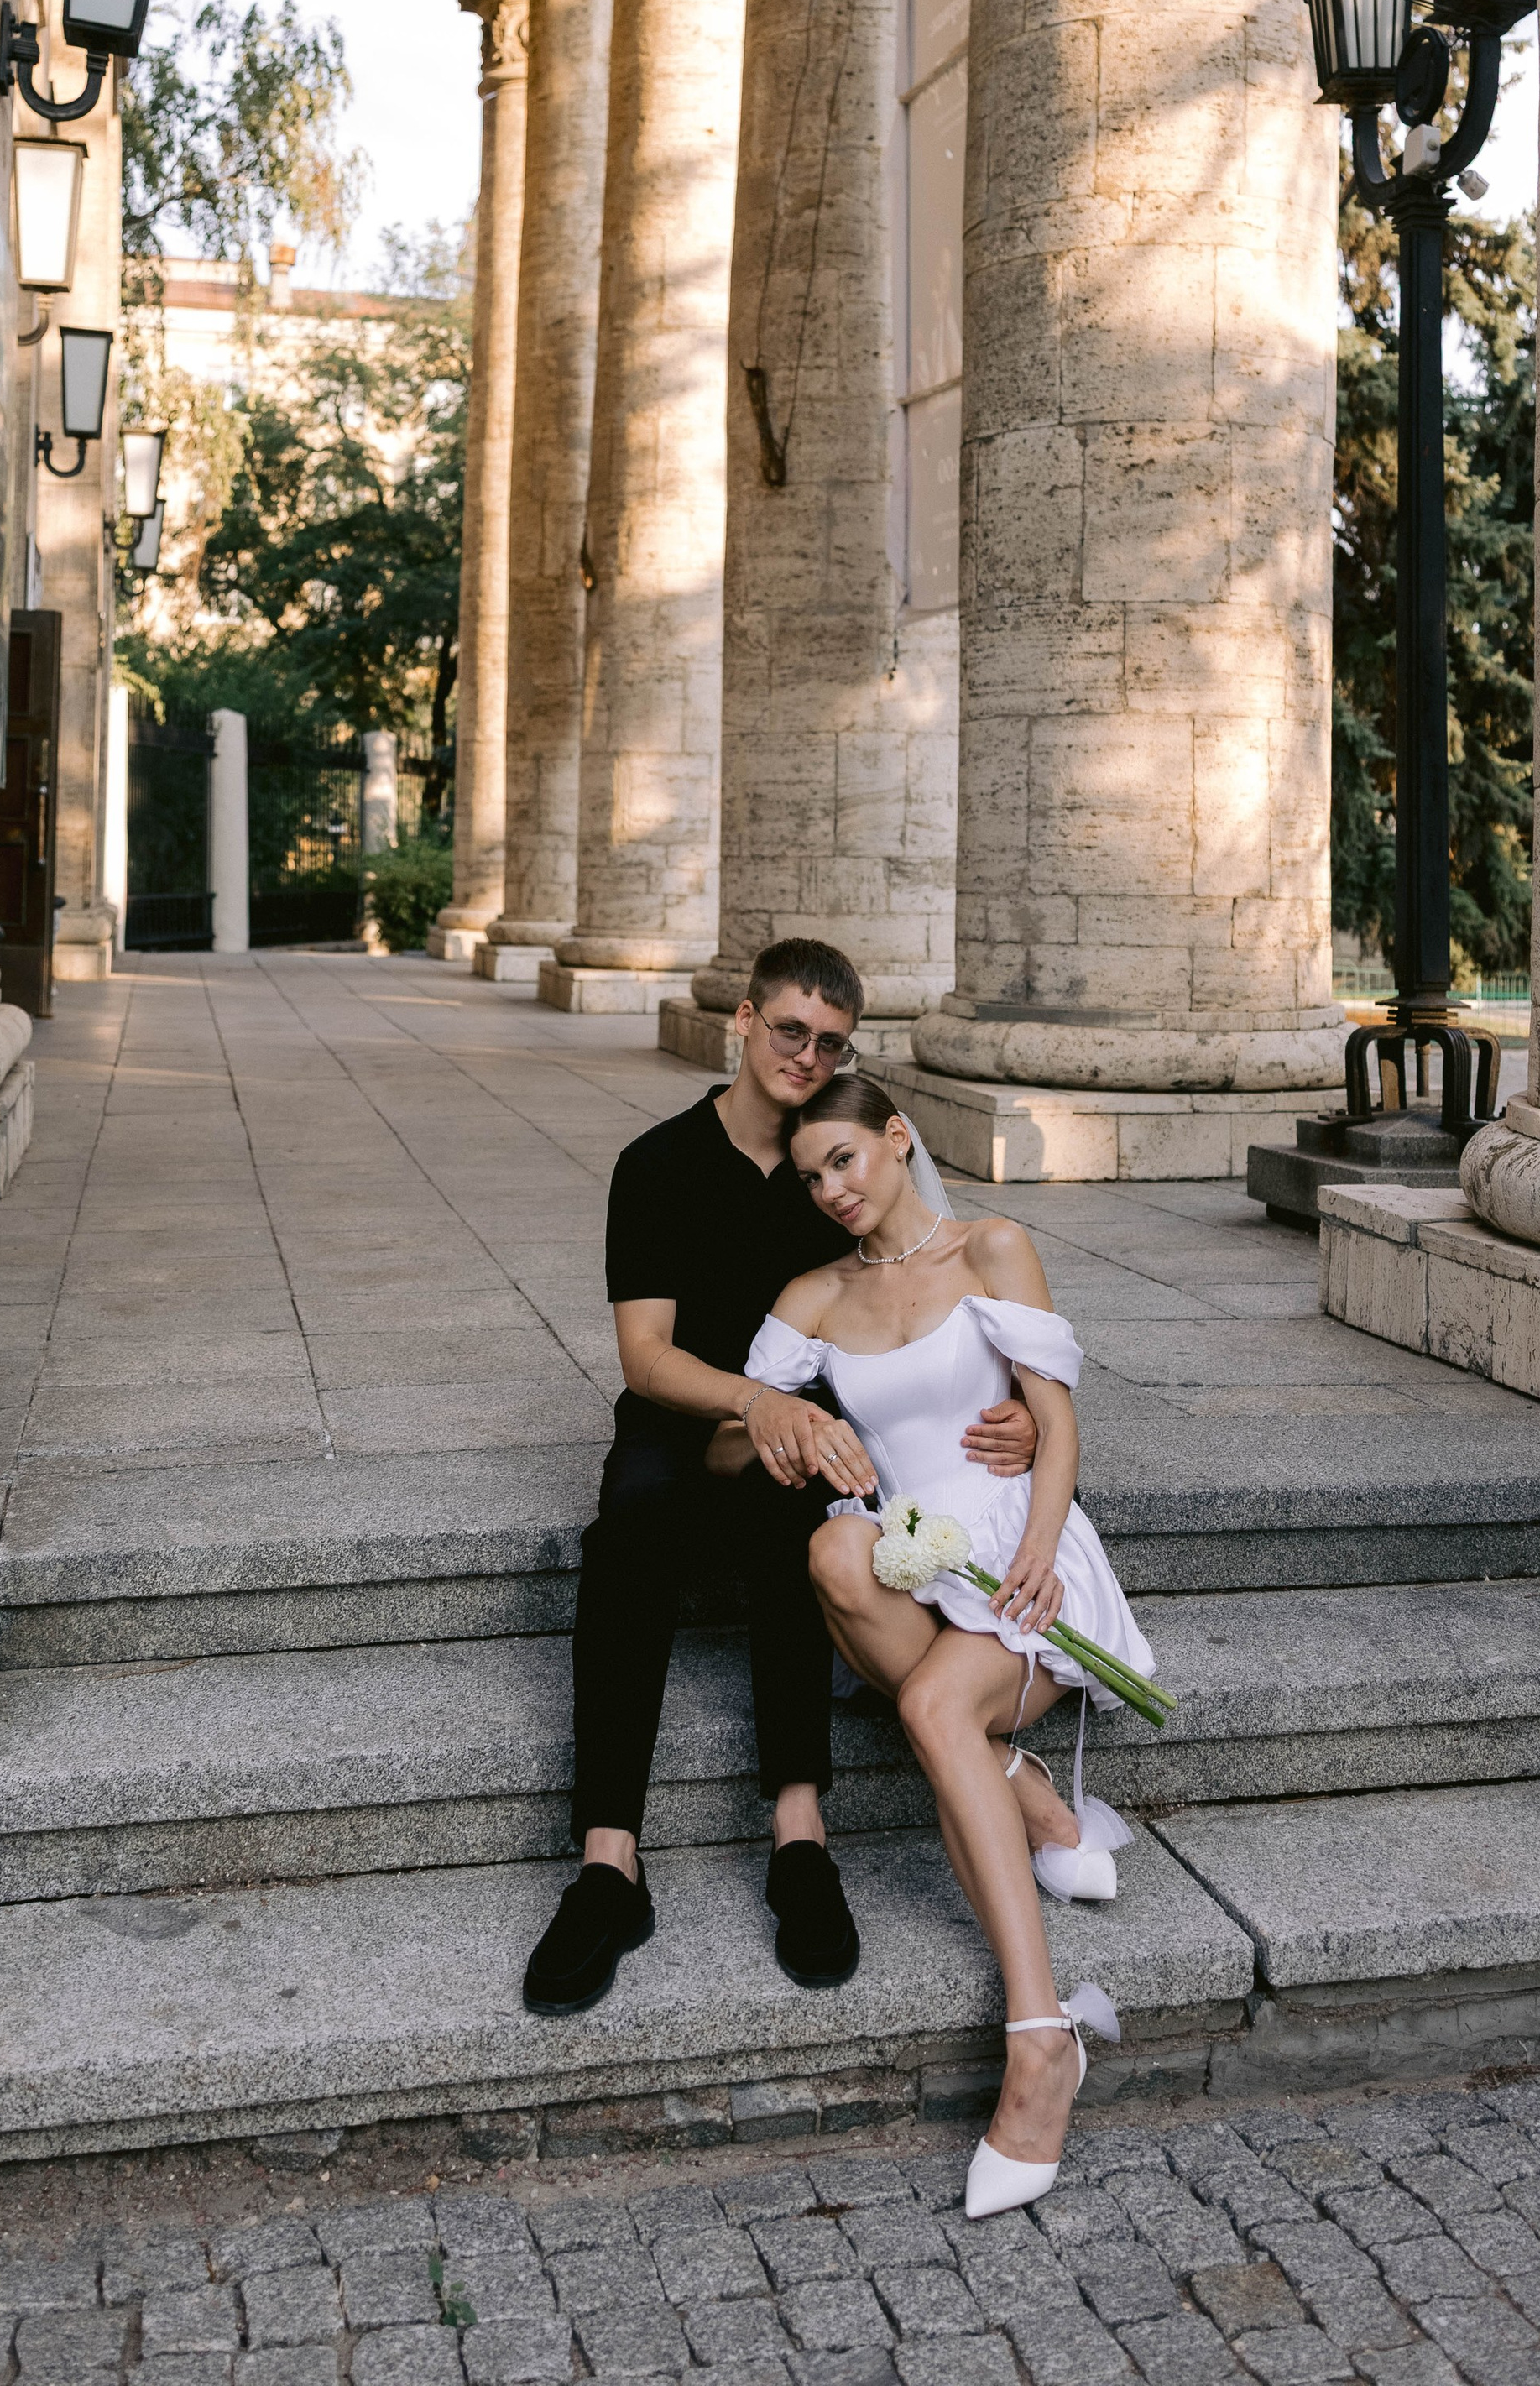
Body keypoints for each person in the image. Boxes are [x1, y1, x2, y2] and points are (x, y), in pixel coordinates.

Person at [521, 937, 1039, 2016]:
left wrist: (1019, 1416)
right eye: (791, 1030)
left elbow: (931, 1289)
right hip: (682, 1418)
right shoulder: (656, 1164)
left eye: (831, 1043)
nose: (806, 1055)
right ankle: (609, 1863)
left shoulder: (829, 1176)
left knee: (803, 1518)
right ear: (745, 1022)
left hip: (812, 1430)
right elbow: (646, 1357)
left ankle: (798, 1837)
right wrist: (753, 1401)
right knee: (629, 1528)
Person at [748, 1070, 1159, 2216]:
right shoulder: (814, 1296)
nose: (832, 1189)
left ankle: (1040, 2042)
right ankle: (1018, 1782)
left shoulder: (991, 1246)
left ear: (897, 1138)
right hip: (907, 1560)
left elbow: (1058, 1415)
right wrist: (786, 1417)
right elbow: (736, 1447)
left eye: (845, 1160)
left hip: (1014, 1553)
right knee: (832, 1554)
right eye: (810, 1176)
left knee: (933, 1710)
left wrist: (1038, 1538)